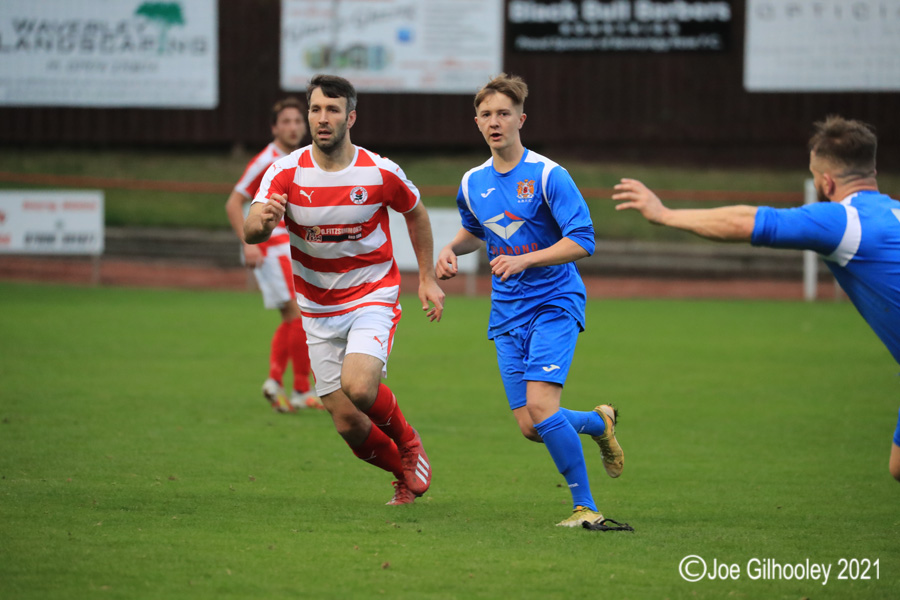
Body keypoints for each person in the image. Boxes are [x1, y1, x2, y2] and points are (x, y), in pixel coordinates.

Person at [612, 115, 900, 482]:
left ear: (826, 181)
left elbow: (747, 222)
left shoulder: (845, 222)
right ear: (872, 169)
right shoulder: (893, 213)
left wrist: (665, 214)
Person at [243, 74, 445, 505]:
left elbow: (417, 214)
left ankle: (410, 444)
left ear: (351, 117)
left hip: (372, 294)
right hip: (316, 307)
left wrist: (426, 277)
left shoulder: (379, 171)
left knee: (359, 386)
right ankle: (402, 475)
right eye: (315, 109)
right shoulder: (285, 171)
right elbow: (251, 227)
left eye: (332, 110)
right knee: (348, 423)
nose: (321, 118)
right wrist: (262, 222)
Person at [436, 73, 625, 527]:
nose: (495, 122)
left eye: (504, 113)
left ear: (522, 118)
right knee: (531, 425)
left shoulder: (547, 175)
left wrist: (527, 261)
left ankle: (586, 509)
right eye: (486, 115)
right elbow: (478, 231)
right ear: (477, 123)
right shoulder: (472, 182)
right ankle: (599, 424)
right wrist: (449, 248)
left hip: (554, 302)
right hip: (506, 312)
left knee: (542, 408)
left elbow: (583, 239)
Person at [224, 97, 322, 413]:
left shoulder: (299, 158)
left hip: (288, 247)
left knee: (292, 317)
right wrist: (248, 242)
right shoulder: (267, 159)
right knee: (298, 315)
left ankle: (276, 382)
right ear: (274, 127)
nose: (293, 127)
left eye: (297, 121)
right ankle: (301, 390)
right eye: (287, 122)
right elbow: (233, 202)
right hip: (272, 249)